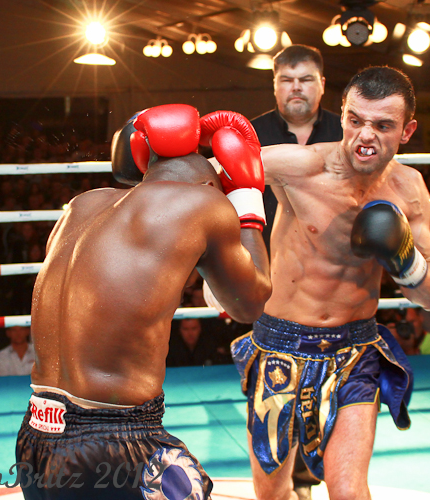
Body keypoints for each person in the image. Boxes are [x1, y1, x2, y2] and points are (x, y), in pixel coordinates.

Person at [208, 66, 430, 500]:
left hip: (356, 350)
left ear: (407, 131)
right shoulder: (300, 167)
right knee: (272, 493)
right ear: (343, 115)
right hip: (281, 344)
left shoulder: (408, 188)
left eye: (383, 125)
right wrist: (219, 264)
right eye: (355, 120)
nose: (365, 136)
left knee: (349, 491)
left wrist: (404, 258)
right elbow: (204, 177)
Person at [15, 104, 271, 499]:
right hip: (115, 441)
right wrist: (247, 200)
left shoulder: (80, 206)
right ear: (210, 185)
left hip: (36, 434)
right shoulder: (205, 204)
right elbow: (249, 304)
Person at [251, 45, 343, 256]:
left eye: (306, 79)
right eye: (286, 80)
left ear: (322, 84)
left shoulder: (346, 134)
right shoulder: (250, 134)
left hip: (334, 257)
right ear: (275, 85)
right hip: (267, 257)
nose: (296, 87)